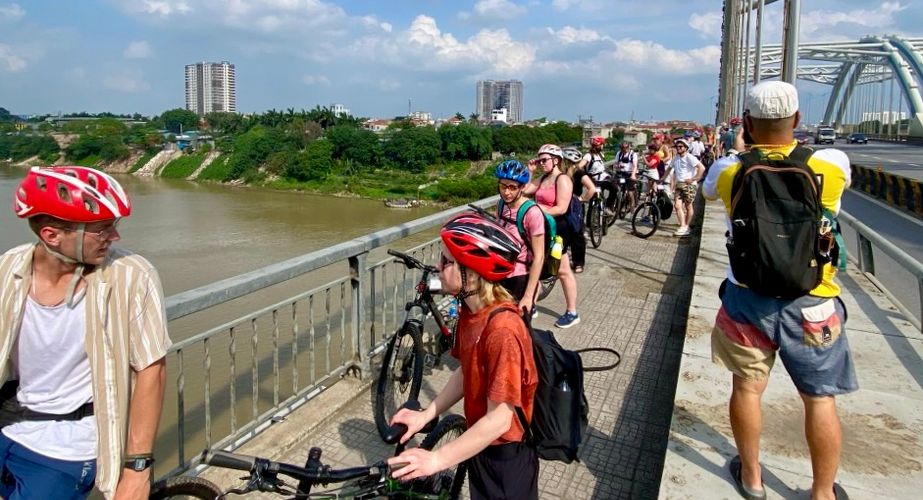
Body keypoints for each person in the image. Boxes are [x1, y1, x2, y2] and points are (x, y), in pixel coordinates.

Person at [703, 80, 855, 500]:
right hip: (813, 302)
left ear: (748, 123)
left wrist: (739, 150)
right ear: (798, 120)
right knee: (819, 399)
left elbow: (706, 193)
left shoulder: (731, 169)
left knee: (747, 388)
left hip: (747, 301)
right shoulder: (830, 163)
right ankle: (822, 492)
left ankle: (752, 479)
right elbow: (837, 203)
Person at [0, 166, 171, 499]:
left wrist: (137, 470)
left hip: (66, 448)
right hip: (8, 422)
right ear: (51, 235)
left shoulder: (130, 276)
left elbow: (152, 370)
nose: (115, 237)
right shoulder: (7, 269)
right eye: (102, 229)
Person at [387, 213, 538, 500]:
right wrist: (426, 415)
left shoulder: (503, 330)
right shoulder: (471, 313)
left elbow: (499, 420)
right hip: (479, 439)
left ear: (470, 271)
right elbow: (467, 371)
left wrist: (437, 459)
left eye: (446, 262)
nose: (437, 267)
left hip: (505, 456)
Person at [524, 144, 581, 328]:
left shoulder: (563, 179)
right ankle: (531, 304)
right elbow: (524, 190)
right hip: (541, 229)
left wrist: (537, 208)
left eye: (544, 160)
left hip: (558, 233)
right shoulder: (544, 178)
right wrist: (529, 171)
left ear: (556, 160)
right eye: (539, 160)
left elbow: (561, 208)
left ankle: (572, 312)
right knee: (536, 267)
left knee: (563, 271)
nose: (541, 163)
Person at [494, 160, 545, 313]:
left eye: (512, 187)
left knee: (520, 326)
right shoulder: (501, 204)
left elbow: (539, 256)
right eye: (503, 186)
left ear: (522, 187)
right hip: (500, 271)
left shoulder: (532, 213)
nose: (506, 192)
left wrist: (529, 296)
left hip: (520, 276)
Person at [562, 147, 596, 274]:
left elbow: (591, 189)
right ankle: (570, 262)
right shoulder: (564, 173)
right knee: (567, 232)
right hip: (566, 204)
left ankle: (578, 263)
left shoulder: (578, 173)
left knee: (576, 234)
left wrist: (582, 199)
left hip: (573, 207)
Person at [663, 138, 705, 237]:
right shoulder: (676, 158)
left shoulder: (689, 157)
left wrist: (694, 178)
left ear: (686, 148)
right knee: (677, 206)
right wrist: (663, 178)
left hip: (689, 185)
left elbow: (702, 168)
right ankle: (683, 226)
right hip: (679, 185)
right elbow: (669, 168)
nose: (678, 148)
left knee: (688, 206)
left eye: (680, 147)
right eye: (677, 147)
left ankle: (687, 226)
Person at [613, 141, 639, 213]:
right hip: (621, 173)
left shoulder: (633, 154)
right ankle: (616, 206)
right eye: (623, 149)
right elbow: (615, 164)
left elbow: (635, 165)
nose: (624, 150)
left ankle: (632, 210)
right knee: (615, 188)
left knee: (630, 193)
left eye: (626, 148)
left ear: (628, 147)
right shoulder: (619, 153)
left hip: (630, 174)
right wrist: (617, 166)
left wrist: (633, 175)